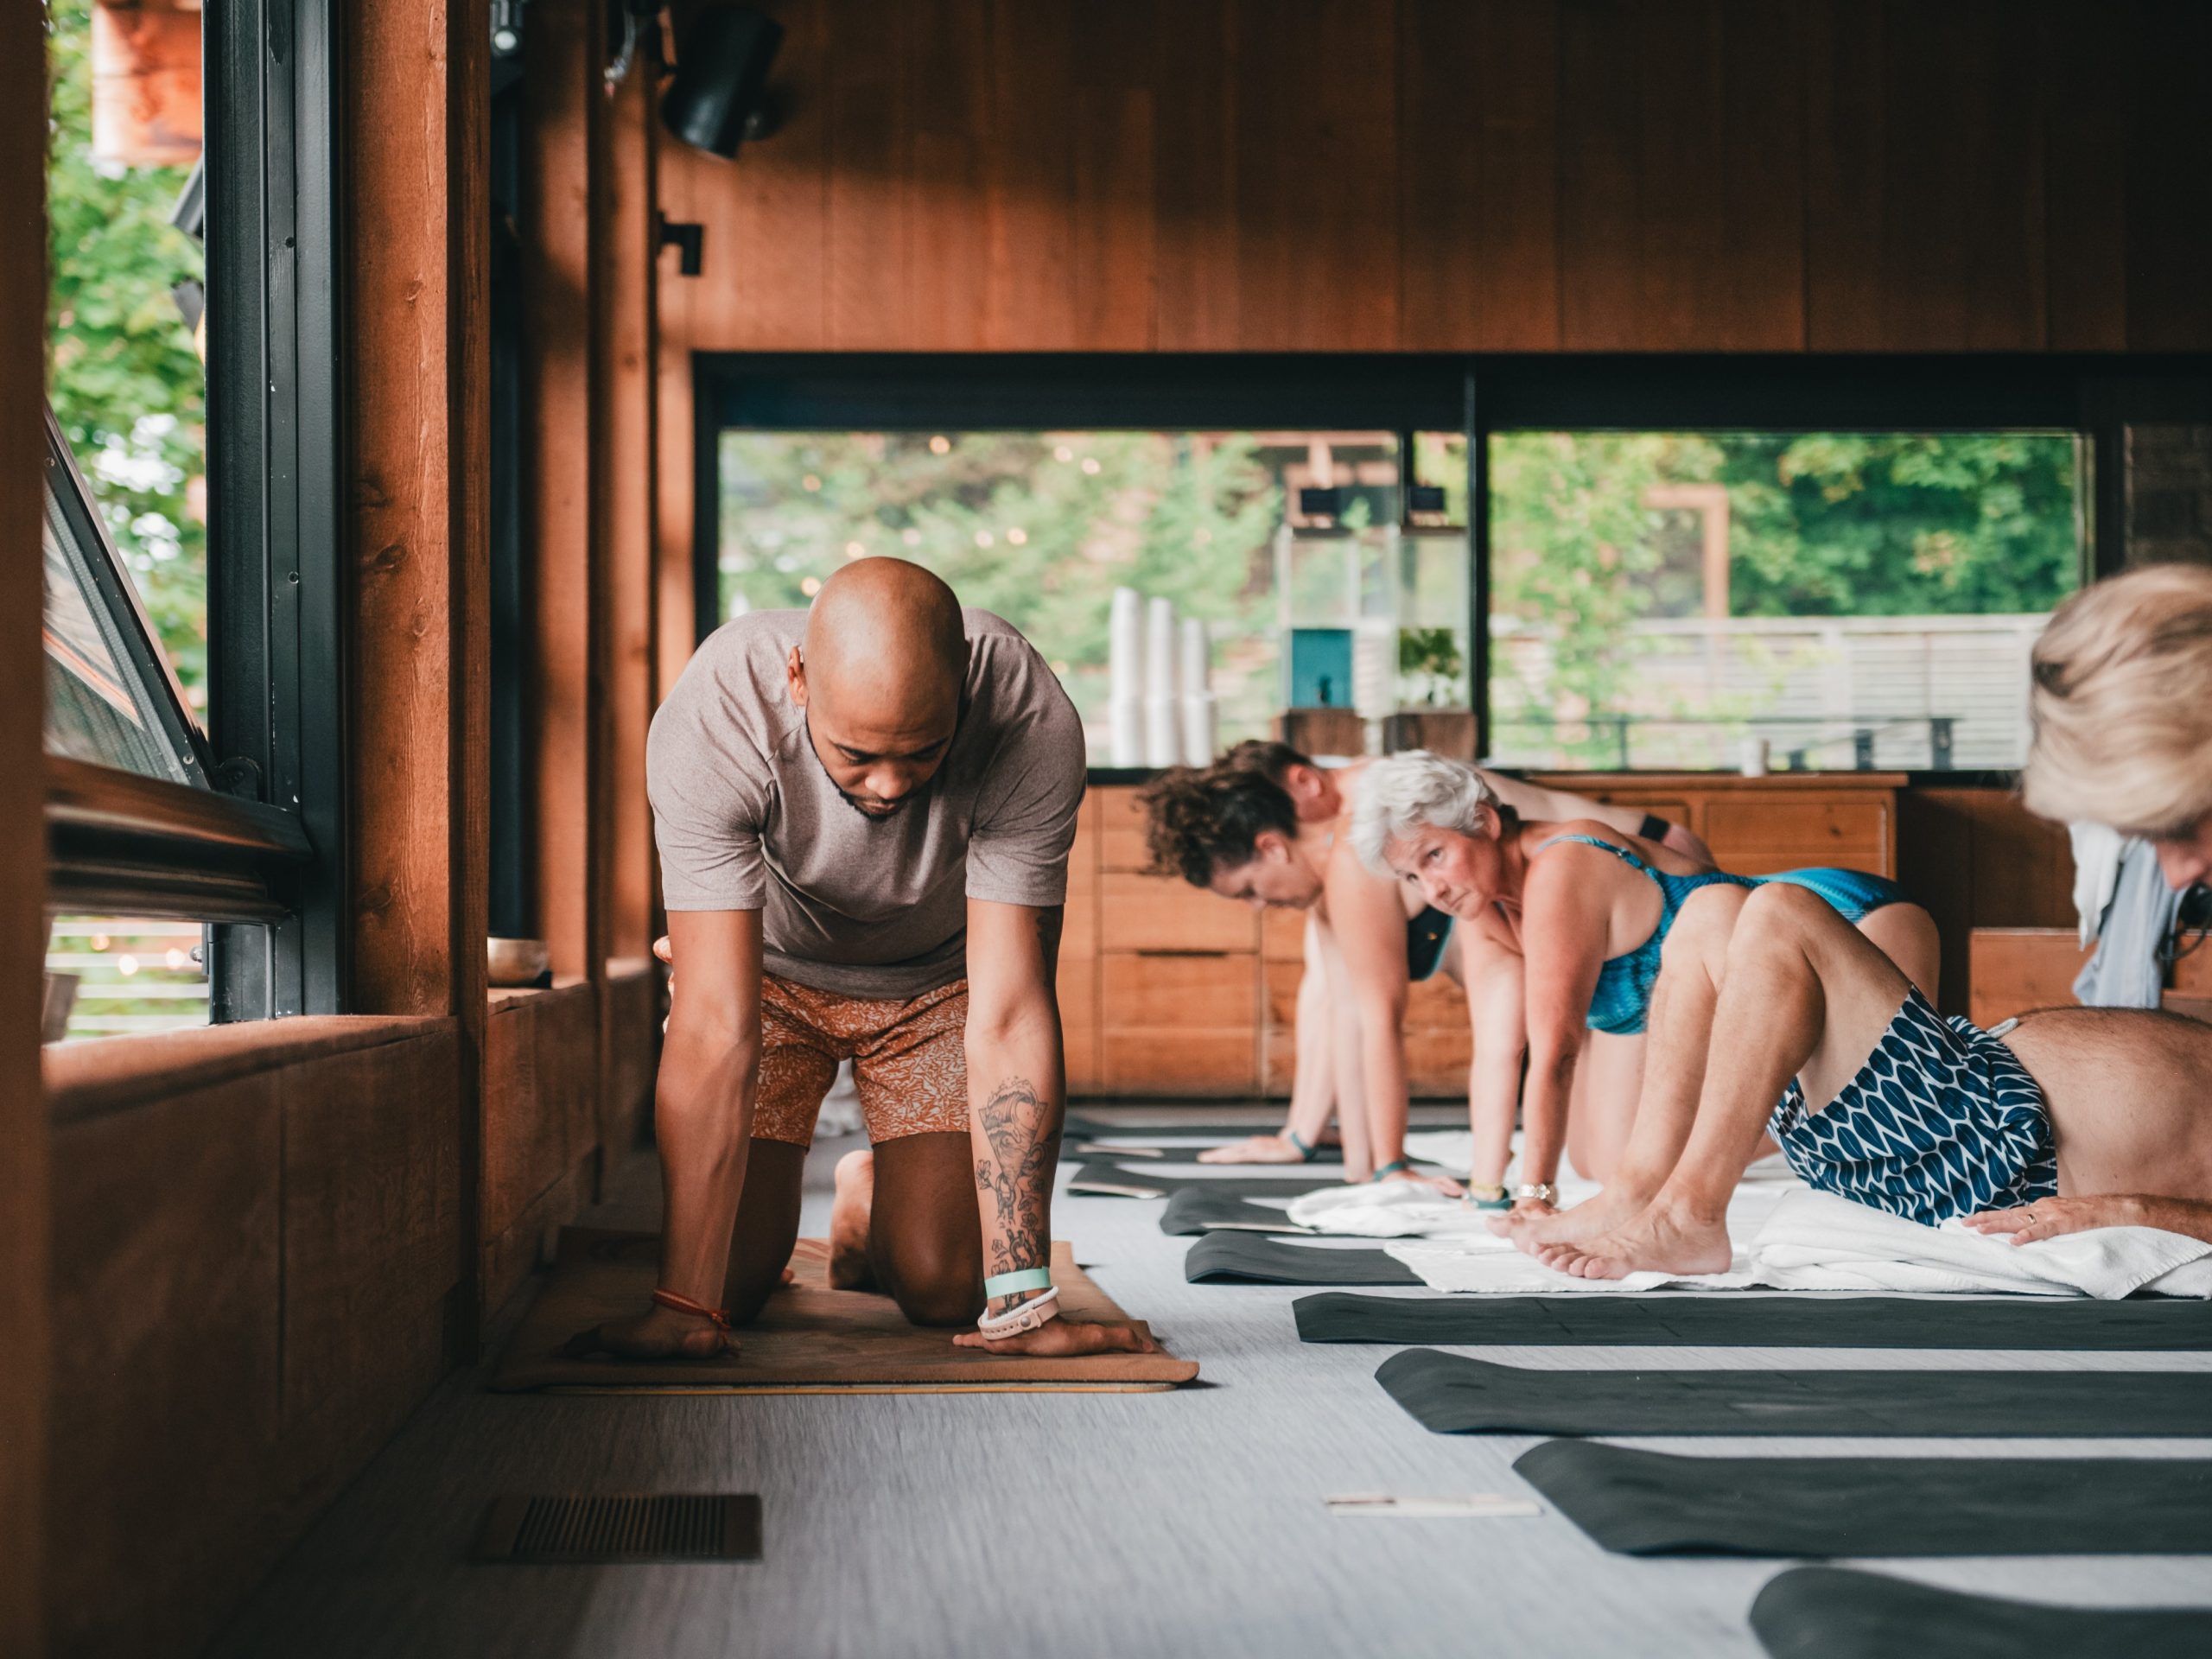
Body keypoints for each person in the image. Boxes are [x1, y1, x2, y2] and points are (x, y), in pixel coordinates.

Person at [1522, 564, 2212, 1278]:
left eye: (2181, 827)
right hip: (1963, 1113)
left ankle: (1691, 1213)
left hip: (1992, 1155)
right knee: (1707, 911)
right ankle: (1637, 1190)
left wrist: (2127, 1212)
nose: (2174, 874)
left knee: (1782, 914)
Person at [579, 558, 1154, 1359]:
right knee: (728, 1290)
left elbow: (1012, 1010)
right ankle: (781, 1242)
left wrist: (1023, 1307)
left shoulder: (1026, 713)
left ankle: (868, 1199)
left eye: (923, 753)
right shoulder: (719, 709)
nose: (888, 786)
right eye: (854, 754)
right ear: (799, 679)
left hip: (938, 986)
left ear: (962, 686)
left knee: (947, 1289)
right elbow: (714, 1017)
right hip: (770, 976)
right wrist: (683, 1307)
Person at [1351, 751, 1939, 1232]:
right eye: (1412, 876)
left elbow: (1555, 1051)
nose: (1432, 888)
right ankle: (1778, 1127)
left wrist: (1533, 1194)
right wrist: (1486, 1191)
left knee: (1871, 1138)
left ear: (1485, 821)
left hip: (1851, 926)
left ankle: (1784, 1127)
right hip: (1713, 997)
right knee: (1604, 1162)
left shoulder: (1561, 867)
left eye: (1435, 856)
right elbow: (1504, 1048)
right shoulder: (1483, 904)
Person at [1138, 741, 1710, 1203]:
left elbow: (1410, 1020)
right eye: (1414, 874)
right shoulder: (1386, 860)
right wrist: (1317, 1142)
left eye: (1250, 892)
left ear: (1279, 838)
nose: (1259, 908)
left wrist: (1401, 1165)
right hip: (1580, 939)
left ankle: (1755, 1101)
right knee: (1598, 1153)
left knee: (1620, 1146)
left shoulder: (1392, 811)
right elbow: (1334, 997)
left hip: (1657, 876)